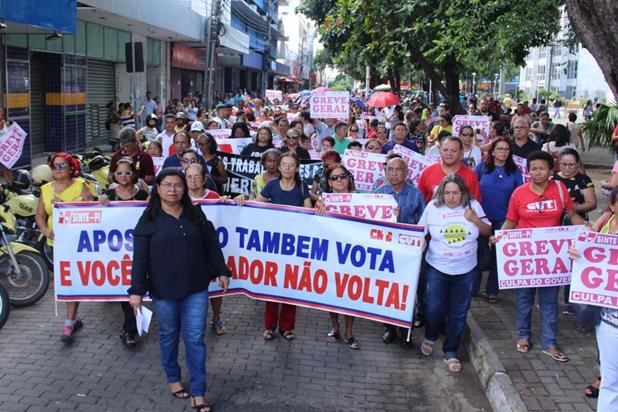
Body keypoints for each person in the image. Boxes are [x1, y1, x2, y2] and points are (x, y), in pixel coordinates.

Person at [129, 169, 230, 412]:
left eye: (178, 185)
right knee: (169, 335)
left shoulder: (195, 213)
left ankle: (198, 391)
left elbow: (211, 243)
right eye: (167, 185)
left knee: (195, 338)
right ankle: (173, 379)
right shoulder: (149, 219)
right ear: (158, 189)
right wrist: (136, 290)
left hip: (196, 286)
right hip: (163, 290)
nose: (173, 189)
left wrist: (221, 269)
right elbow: (140, 258)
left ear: (184, 189)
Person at [497, 150, 584, 363]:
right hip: (527, 258)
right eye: (533, 168)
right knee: (524, 298)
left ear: (550, 169)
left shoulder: (560, 189)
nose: (537, 172)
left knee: (549, 301)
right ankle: (524, 336)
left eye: (542, 168)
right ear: (528, 170)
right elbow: (510, 220)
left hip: (553, 259)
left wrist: (586, 229)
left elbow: (571, 215)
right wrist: (500, 237)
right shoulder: (519, 193)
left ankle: (550, 343)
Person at [418, 174, 491, 373]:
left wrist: (475, 219)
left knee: (459, 312)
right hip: (438, 267)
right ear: (441, 193)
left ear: (463, 193)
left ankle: (450, 351)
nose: (451, 197)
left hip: (466, 269)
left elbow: (487, 231)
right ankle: (430, 335)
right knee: (433, 308)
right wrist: (419, 245)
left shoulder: (473, 205)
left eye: (455, 193)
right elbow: (419, 231)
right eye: (447, 193)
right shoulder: (433, 207)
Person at [236, 152, 312, 341]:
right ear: (279, 167)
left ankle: (287, 327)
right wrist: (241, 200)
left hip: (293, 245)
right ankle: (269, 326)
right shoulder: (271, 185)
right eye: (283, 164)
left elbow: (310, 212)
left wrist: (319, 206)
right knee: (272, 286)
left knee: (290, 287)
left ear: (296, 168)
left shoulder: (302, 187)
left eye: (290, 164)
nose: (287, 168)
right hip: (273, 246)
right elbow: (256, 204)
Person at [35, 153, 94, 342]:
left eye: (62, 165)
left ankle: (68, 323)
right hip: (57, 245)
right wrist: (46, 231)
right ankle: (74, 317)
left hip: (79, 243)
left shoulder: (81, 185)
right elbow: (39, 216)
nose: (57, 169)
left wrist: (72, 205)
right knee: (65, 281)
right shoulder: (45, 189)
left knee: (72, 281)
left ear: (71, 168)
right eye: (54, 166)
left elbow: (93, 209)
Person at [568, 186, 618, 410]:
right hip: (610, 321)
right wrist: (578, 253)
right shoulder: (605, 223)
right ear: (612, 205)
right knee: (610, 382)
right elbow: (586, 250)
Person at [374, 157, 426, 346]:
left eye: (398, 170)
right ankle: (389, 328)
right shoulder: (379, 194)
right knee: (387, 289)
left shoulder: (416, 195)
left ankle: (406, 331)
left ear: (406, 173)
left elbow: (424, 222)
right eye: (390, 169)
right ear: (385, 172)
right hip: (386, 250)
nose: (393, 173)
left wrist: (423, 240)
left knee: (408, 291)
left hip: (409, 251)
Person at [99, 158, 149, 347]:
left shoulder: (143, 195)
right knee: (123, 289)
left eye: (127, 172)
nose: (123, 176)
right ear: (114, 175)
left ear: (133, 174)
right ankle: (130, 329)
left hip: (139, 250)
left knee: (136, 286)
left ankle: (131, 327)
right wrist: (100, 202)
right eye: (119, 173)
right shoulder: (109, 195)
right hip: (116, 253)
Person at [316, 164, 361, 349]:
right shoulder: (323, 201)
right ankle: (335, 326)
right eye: (335, 177)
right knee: (332, 290)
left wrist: (391, 214)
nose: (339, 180)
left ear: (348, 178)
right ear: (328, 182)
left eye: (342, 176)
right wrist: (317, 209)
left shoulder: (362, 200)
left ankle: (349, 331)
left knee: (350, 292)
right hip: (331, 253)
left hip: (353, 253)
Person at [473, 138, 523, 303]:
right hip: (481, 218)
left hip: (504, 219)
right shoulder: (482, 167)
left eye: (506, 149)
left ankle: (493, 290)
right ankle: (473, 288)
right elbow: (472, 187)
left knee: (497, 255)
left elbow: (519, 195)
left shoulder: (514, 171)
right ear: (492, 151)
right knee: (479, 252)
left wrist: (515, 220)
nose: (503, 151)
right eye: (500, 148)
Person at [552, 148, 596, 314]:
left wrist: (573, 208)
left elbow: (591, 202)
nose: (568, 168)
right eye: (564, 164)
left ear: (577, 164)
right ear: (558, 164)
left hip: (576, 226)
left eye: (571, 165)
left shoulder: (584, 180)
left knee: (574, 261)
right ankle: (550, 299)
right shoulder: (552, 179)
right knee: (555, 261)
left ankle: (570, 301)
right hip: (555, 227)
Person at [418, 136, 481, 203]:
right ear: (440, 151)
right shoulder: (427, 173)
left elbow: (475, 205)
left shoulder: (471, 176)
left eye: (453, 150)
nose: (449, 153)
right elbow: (419, 203)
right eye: (445, 150)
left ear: (461, 153)